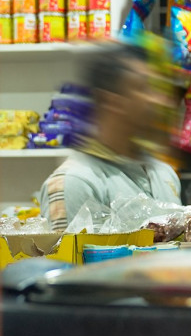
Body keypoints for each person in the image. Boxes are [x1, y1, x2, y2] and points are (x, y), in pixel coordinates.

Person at [38, 38, 182, 232]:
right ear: (111, 101)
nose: (161, 100)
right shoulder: (76, 181)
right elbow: (65, 261)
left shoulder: (164, 174)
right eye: (144, 88)